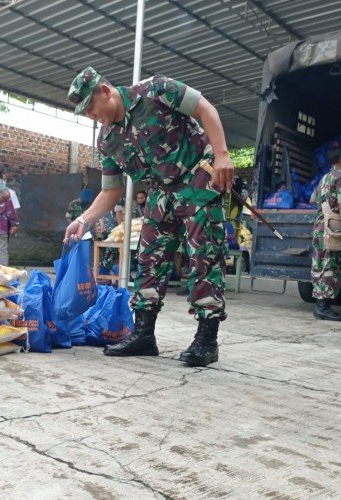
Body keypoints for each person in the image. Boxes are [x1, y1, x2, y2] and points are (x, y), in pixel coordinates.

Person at [64, 66, 234, 367]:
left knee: (203, 256)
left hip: (196, 175)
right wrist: (84, 220)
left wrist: (221, 154)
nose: (91, 113)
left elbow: (204, 108)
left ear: (106, 91)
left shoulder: (156, 90)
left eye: (91, 105)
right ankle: (144, 334)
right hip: (160, 189)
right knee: (148, 257)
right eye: (85, 111)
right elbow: (110, 191)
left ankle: (206, 340)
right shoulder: (106, 140)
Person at [310, 147, 341, 321]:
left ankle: (320, 305)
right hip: (333, 226)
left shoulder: (325, 177)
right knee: (331, 264)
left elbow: (312, 199)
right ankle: (323, 308)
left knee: (320, 263)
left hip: (320, 225)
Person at [0, 169, 19, 266]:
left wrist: (14, 225)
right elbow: (11, 212)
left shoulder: (7, 193)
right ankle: (2, 274)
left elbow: (13, 211)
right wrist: (15, 224)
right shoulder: (6, 193)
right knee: (2, 252)